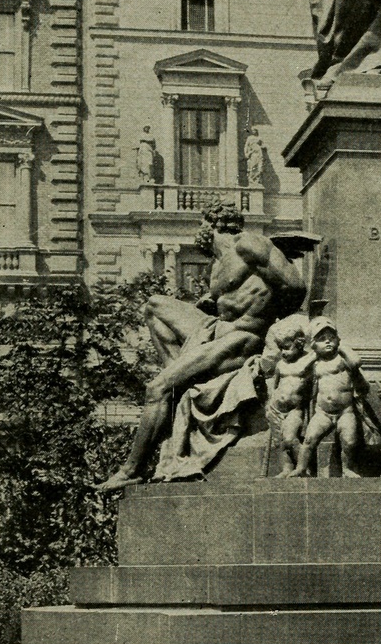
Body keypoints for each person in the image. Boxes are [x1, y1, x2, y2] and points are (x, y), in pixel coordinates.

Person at [98, 204, 318, 490]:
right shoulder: (218, 261)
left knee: (157, 388)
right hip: (217, 330)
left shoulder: (250, 243)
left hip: (244, 336)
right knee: (155, 306)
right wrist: (211, 303)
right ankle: (181, 376)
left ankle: (131, 469)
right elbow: (231, 296)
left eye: (200, 225)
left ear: (210, 225)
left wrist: (269, 325)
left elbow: (295, 286)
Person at [290, 317, 368, 478]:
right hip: (322, 412)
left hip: (345, 411)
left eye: (331, 338)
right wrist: (313, 354)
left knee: (349, 441)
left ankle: (348, 469)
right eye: (321, 339)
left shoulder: (342, 359)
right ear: (313, 344)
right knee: (310, 439)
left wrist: (343, 347)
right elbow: (299, 370)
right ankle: (301, 468)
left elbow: (356, 362)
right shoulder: (316, 363)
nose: (328, 342)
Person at [264, 317, 314, 477]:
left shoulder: (309, 359)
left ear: (299, 344)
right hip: (276, 408)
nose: (283, 352)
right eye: (280, 348)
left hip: (295, 409)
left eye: (286, 347)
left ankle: (304, 467)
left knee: (290, 438)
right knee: (279, 443)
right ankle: (286, 468)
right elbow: (275, 383)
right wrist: (270, 400)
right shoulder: (281, 364)